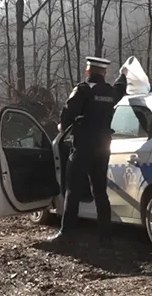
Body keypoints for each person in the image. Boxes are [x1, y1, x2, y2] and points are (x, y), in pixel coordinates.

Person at [50, 56, 127, 243]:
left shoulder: (83, 89)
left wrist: (63, 125)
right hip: (103, 149)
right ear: (104, 72)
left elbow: (68, 112)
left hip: (83, 147)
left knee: (73, 190)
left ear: (88, 71)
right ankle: (105, 234)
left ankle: (66, 233)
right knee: (100, 190)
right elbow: (120, 90)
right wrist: (123, 76)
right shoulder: (110, 92)